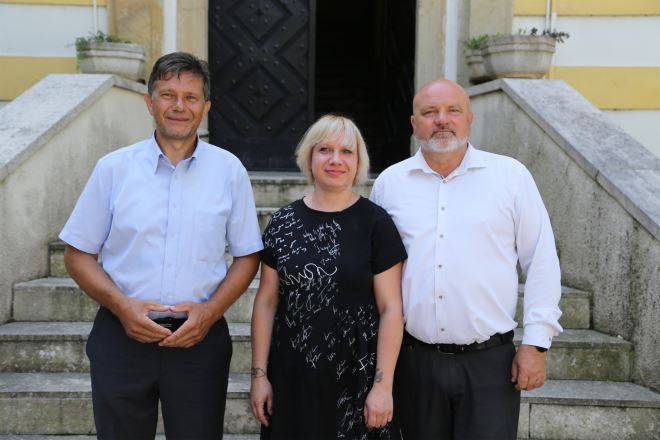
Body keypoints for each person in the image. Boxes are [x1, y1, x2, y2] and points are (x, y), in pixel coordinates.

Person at [59, 52, 263, 440]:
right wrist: (123, 307)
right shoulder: (113, 168)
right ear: (150, 102)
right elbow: (77, 254)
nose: (179, 106)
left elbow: (247, 255)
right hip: (121, 337)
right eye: (168, 95)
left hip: (199, 341)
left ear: (205, 107)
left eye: (190, 97)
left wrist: (210, 313)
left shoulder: (229, 171)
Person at [370, 79, 562, 439]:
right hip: (415, 362)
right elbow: (378, 271)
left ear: (469, 119)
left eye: (453, 111)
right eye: (430, 112)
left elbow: (541, 260)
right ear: (414, 123)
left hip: (490, 363)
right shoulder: (390, 184)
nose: (442, 120)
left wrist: (537, 342)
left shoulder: (510, 177)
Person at [250, 115, 407, 440]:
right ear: (309, 156)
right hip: (292, 376)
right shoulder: (282, 222)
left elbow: (391, 308)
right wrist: (259, 376)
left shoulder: (376, 223)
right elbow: (266, 302)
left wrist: (383, 386)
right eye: (325, 150)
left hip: (356, 380)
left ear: (358, 162)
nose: (336, 159)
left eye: (346, 152)